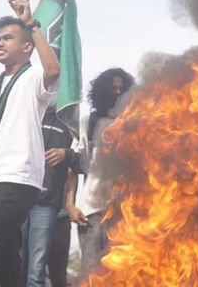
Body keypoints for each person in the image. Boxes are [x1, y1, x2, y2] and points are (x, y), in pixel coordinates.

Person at [0, 0, 60, 287]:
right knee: (5, 257)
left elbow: (53, 71)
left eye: (8, 38)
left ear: (27, 46)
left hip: (18, 176)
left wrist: (31, 24)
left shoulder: (33, 77)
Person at [65, 68, 135, 277]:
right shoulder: (88, 123)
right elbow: (74, 167)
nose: (117, 93)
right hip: (91, 213)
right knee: (91, 275)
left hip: (125, 215)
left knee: (123, 277)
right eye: (112, 88)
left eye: (121, 89)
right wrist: (70, 205)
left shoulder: (136, 126)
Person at [20, 104, 76, 287]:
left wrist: (65, 153)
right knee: (15, 261)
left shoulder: (69, 122)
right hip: (18, 196)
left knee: (37, 269)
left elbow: (82, 157)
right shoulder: (27, 112)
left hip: (47, 202)